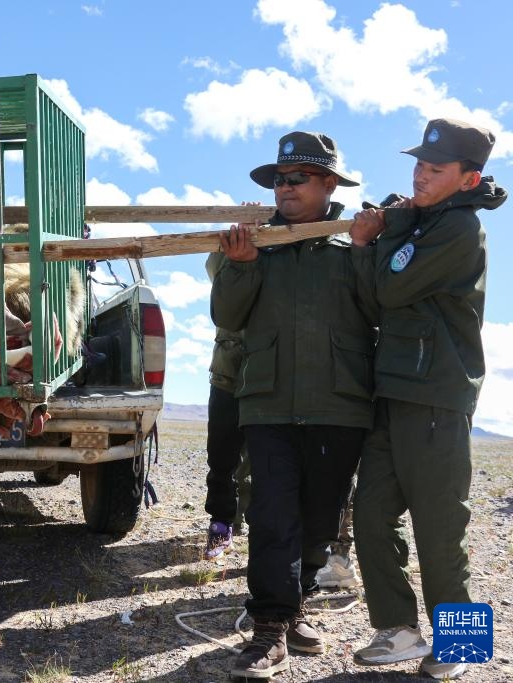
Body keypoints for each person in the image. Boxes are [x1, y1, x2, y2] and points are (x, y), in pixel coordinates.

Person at [211, 132, 378, 679]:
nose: (284, 187)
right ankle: (268, 630)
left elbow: (377, 308)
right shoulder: (255, 243)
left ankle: (298, 605)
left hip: (338, 404)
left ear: (329, 184)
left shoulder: (355, 243)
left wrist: (361, 252)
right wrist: (240, 265)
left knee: (319, 519)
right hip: (268, 403)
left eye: (296, 178)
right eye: (278, 180)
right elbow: (228, 319)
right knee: (272, 513)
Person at [349, 119, 505, 680]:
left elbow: (390, 287)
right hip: (392, 390)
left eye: (435, 169)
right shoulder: (420, 223)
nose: (420, 174)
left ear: (468, 179)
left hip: (437, 396)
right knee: (370, 516)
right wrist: (381, 238)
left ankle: (462, 649)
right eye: (418, 163)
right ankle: (398, 631)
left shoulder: (459, 230)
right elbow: (374, 301)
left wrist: (376, 237)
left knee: (441, 528)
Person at [202, 251, 250, 560]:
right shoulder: (228, 254)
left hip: (272, 378)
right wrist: (234, 247)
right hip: (227, 373)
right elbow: (214, 268)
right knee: (221, 457)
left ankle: (261, 529)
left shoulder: (283, 251)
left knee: (268, 460)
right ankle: (221, 526)